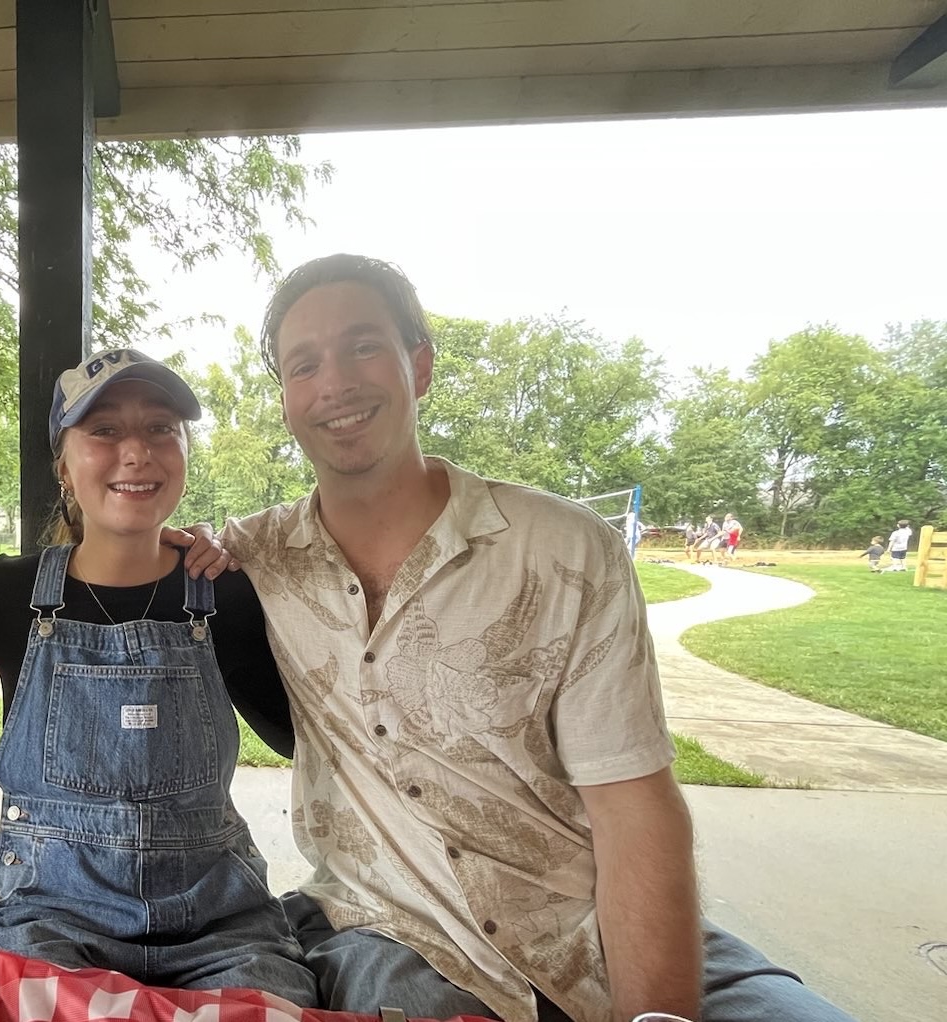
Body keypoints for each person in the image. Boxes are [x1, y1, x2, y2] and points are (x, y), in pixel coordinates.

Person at [221, 254, 854, 1022]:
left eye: (362, 346)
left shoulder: (565, 551)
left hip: (586, 915)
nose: (335, 383)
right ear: (285, 399)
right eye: (303, 364)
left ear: (417, 365)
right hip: (389, 930)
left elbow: (633, 805)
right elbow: (108, 560)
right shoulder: (248, 560)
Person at [0, 349, 318, 1005]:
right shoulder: (1, 595)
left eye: (161, 428)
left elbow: (302, 737)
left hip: (218, 924)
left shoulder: (227, 594)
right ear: (63, 465)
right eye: (104, 431)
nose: (137, 451)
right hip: (40, 914)